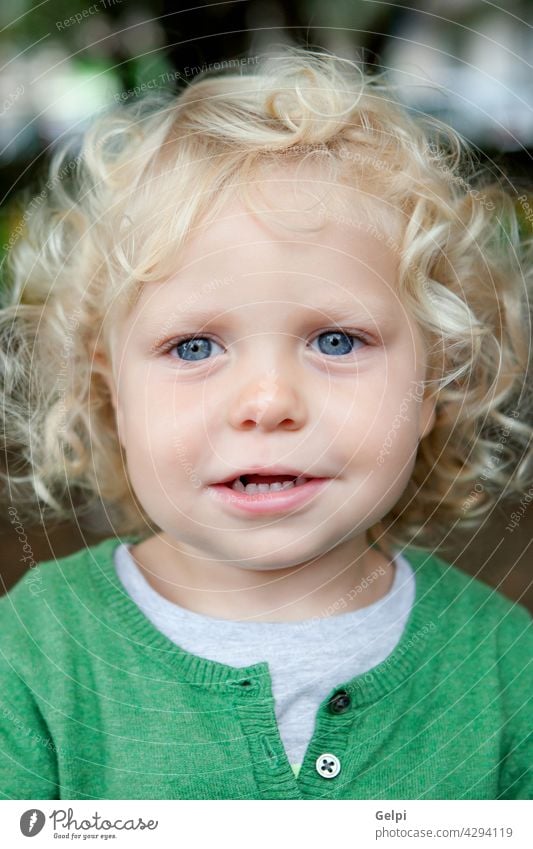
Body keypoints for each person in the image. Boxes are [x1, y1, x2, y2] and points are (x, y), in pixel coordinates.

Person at [0, 46, 531, 801]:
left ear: (431, 383)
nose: (268, 400)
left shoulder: (507, 667)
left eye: (336, 340)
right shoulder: (33, 653)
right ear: (109, 387)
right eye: (193, 346)